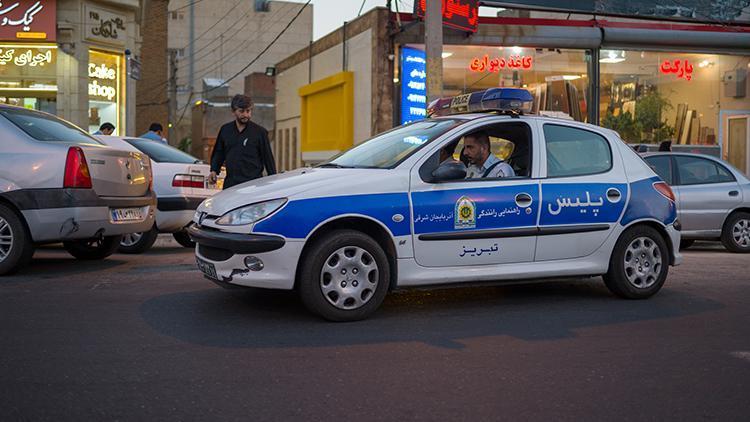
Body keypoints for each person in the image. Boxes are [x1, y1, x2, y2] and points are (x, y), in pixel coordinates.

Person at [209, 94, 276, 189]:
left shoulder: (260, 132)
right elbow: (219, 152)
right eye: (241, 111)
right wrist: (214, 170)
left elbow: (268, 159)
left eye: (248, 111)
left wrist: (273, 181)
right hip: (231, 184)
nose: (245, 114)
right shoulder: (225, 130)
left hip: (253, 185)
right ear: (233, 111)